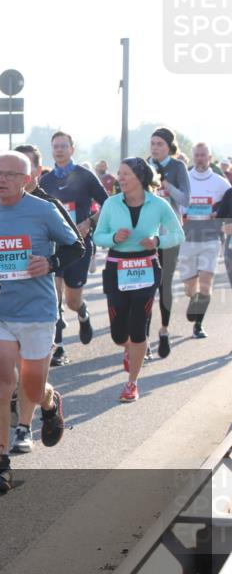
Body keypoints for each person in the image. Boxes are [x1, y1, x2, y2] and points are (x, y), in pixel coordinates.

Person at [0, 152, 82, 492]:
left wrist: (50, 263)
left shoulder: (44, 210)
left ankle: (49, 403)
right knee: (2, 385)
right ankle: (1, 463)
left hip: (36, 312)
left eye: (9, 174)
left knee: (31, 388)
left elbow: (76, 247)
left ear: (26, 179)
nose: (1, 180)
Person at [93, 158, 184, 402]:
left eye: (125, 174)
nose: (120, 178)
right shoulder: (112, 204)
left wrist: (157, 242)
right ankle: (128, 348)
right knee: (118, 335)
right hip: (116, 268)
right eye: (119, 173)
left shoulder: (159, 204)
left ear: (140, 177)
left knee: (138, 326)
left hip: (146, 267)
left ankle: (132, 383)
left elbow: (178, 234)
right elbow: (97, 237)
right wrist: (113, 237)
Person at [38, 131, 109, 367]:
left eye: (63, 146)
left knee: (71, 300)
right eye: (55, 146)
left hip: (78, 245)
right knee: (54, 297)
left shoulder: (85, 176)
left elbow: (108, 204)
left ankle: (83, 313)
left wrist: (90, 222)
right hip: (54, 245)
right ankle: (58, 347)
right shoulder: (45, 181)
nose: (59, 150)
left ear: (72, 148)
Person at [177, 143, 230, 338]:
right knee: (191, 288)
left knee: (206, 284)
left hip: (210, 239)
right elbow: (175, 207)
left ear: (209, 157)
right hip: (188, 238)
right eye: (197, 155)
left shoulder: (220, 183)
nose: (200, 159)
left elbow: (229, 207)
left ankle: (198, 325)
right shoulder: (184, 180)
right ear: (193, 157)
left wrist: (218, 215)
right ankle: (194, 300)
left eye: (203, 155)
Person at [147, 127, 190, 358]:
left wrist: (166, 186)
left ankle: (163, 330)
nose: (154, 148)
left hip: (169, 233)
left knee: (164, 283)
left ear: (169, 147)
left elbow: (186, 199)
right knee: (145, 285)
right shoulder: (144, 165)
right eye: (152, 143)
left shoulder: (177, 167)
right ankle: (142, 339)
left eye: (159, 144)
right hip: (146, 233)